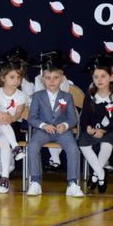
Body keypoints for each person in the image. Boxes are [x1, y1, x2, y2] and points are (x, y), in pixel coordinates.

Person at [26, 55, 84, 197]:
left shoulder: (67, 96)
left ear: (62, 79)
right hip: (43, 131)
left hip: (62, 131)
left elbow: (73, 118)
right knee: (32, 146)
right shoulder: (38, 96)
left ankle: (72, 183)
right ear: (43, 80)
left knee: (73, 148)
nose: (52, 81)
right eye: (48, 78)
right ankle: (35, 182)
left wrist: (65, 125)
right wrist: (43, 125)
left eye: (55, 78)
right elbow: (31, 117)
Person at [78, 56, 113, 194]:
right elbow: (84, 117)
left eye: (103, 76)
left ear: (111, 77)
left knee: (106, 145)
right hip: (93, 130)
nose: (99, 80)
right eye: (96, 77)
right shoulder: (90, 96)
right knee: (83, 144)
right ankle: (101, 174)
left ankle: (95, 176)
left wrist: (103, 131)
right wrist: (87, 127)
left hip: (110, 130)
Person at [0, 60, 27, 194]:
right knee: (1, 118)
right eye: (12, 77)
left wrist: (10, 118)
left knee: (4, 139)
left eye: (18, 77)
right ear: (3, 78)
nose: (16, 80)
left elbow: (18, 114)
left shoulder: (21, 95)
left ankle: (5, 178)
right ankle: (16, 147)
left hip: (13, 127)